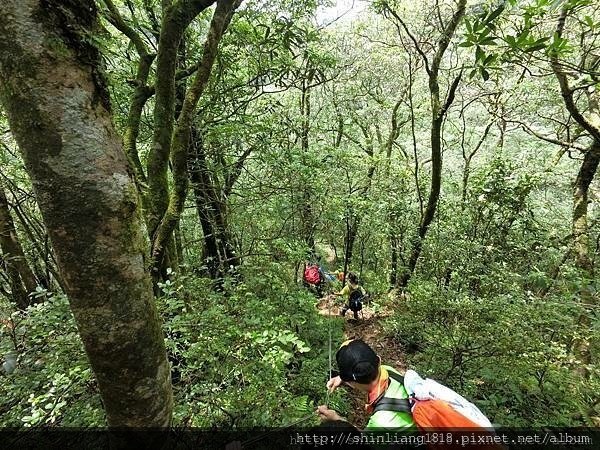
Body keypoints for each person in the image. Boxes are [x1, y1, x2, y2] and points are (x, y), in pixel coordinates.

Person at [316, 339, 416, 432]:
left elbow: (362, 443)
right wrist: (341, 378)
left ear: (351, 384)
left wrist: (336, 420)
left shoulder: (381, 422)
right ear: (379, 361)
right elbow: (360, 363)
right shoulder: (388, 371)